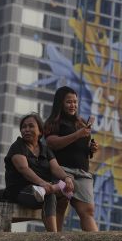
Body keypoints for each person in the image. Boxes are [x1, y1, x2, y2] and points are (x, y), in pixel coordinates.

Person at [3, 113, 74, 232]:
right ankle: (53, 237)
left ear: (40, 131)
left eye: (31, 126)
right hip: (20, 191)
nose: (26, 129)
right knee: (50, 195)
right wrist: (43, 183)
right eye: (24, 127)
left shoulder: (45, 150)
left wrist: (67, 178)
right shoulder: (17, 147)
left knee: (68, 189)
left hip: (43, 188)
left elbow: (56, 168)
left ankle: (58, 230)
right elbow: (24, 169)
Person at [44, 86, 99, 232]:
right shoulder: (53, 122)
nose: (73, 105)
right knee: (60, 205)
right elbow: (52, 143)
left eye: (75, 102)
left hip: (82, 172)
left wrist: (91, 149)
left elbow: (79, 147)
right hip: (62, 169)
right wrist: (77, 135)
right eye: (69, 102)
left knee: (88, 211)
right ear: (60, 103)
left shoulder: (80, 122)